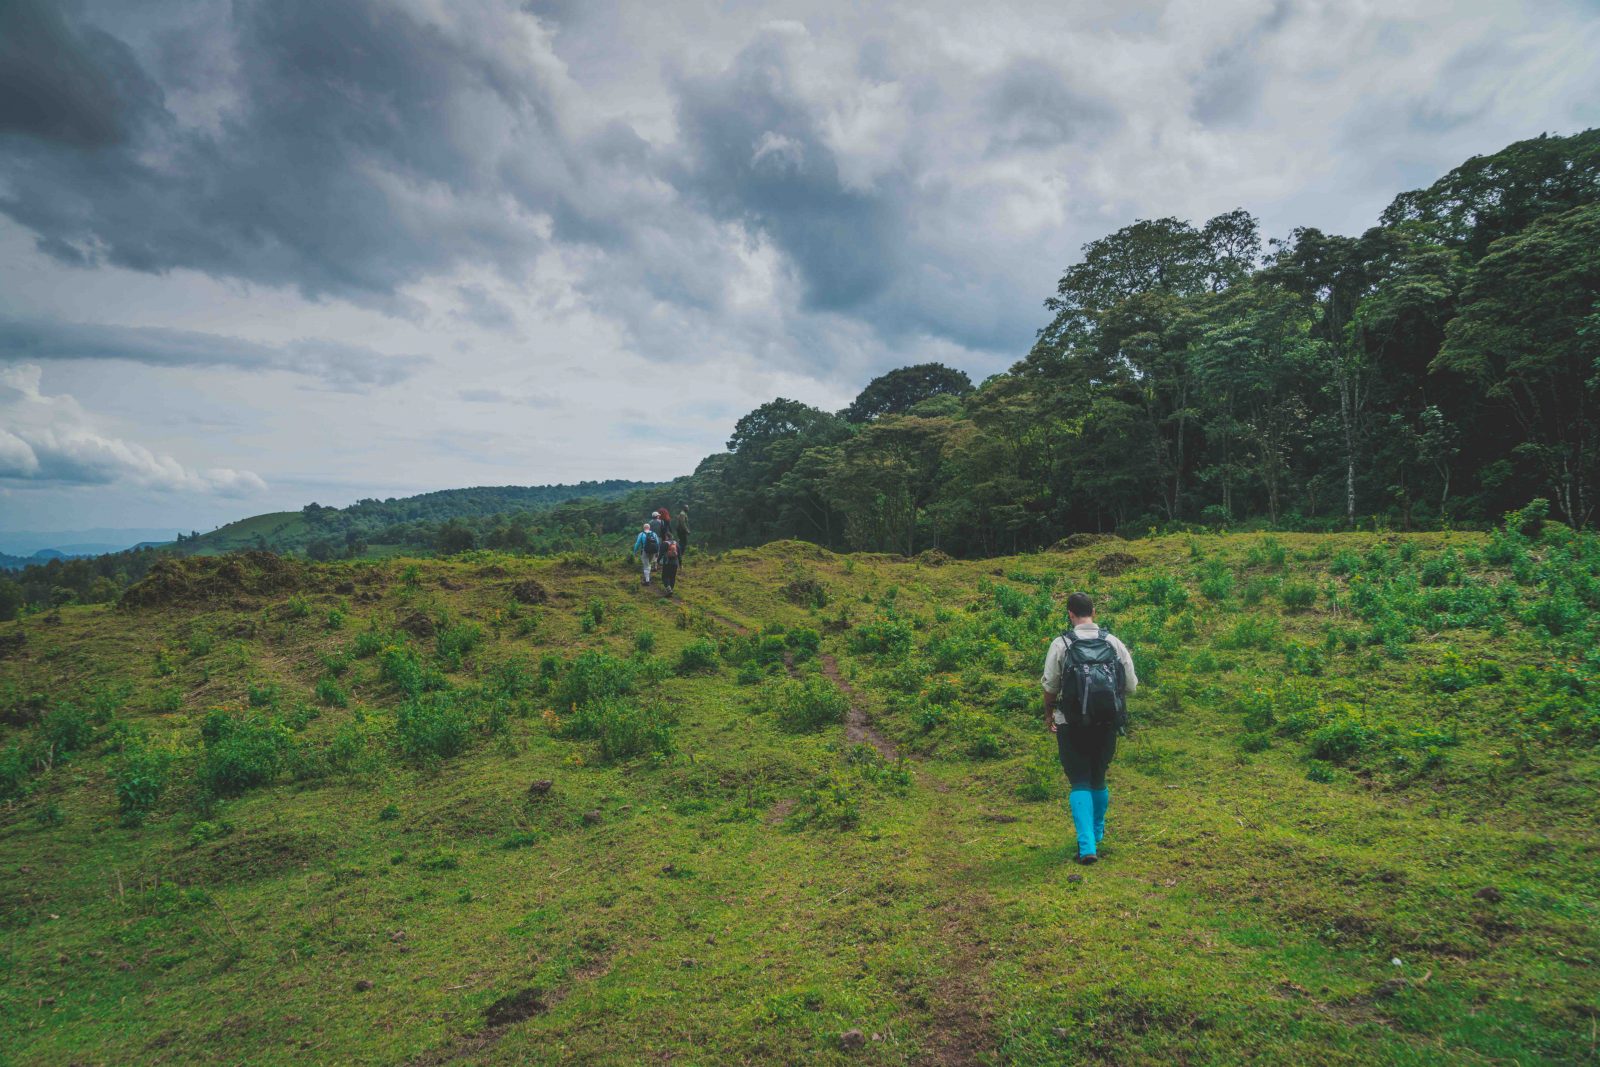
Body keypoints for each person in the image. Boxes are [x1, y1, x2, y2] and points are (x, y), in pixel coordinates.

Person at [1040, 591, 1137, 865]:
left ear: (1070, 614)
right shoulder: (1113, 643)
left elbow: (1050, 686)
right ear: (1094, 612)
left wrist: (1049, 714)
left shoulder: (1061, 644)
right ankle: (1098, 833)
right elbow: (1131, 685)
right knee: (1098, 778)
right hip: (1106, 723)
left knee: (1079, 780)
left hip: (1071, 724)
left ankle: (1087, 847)